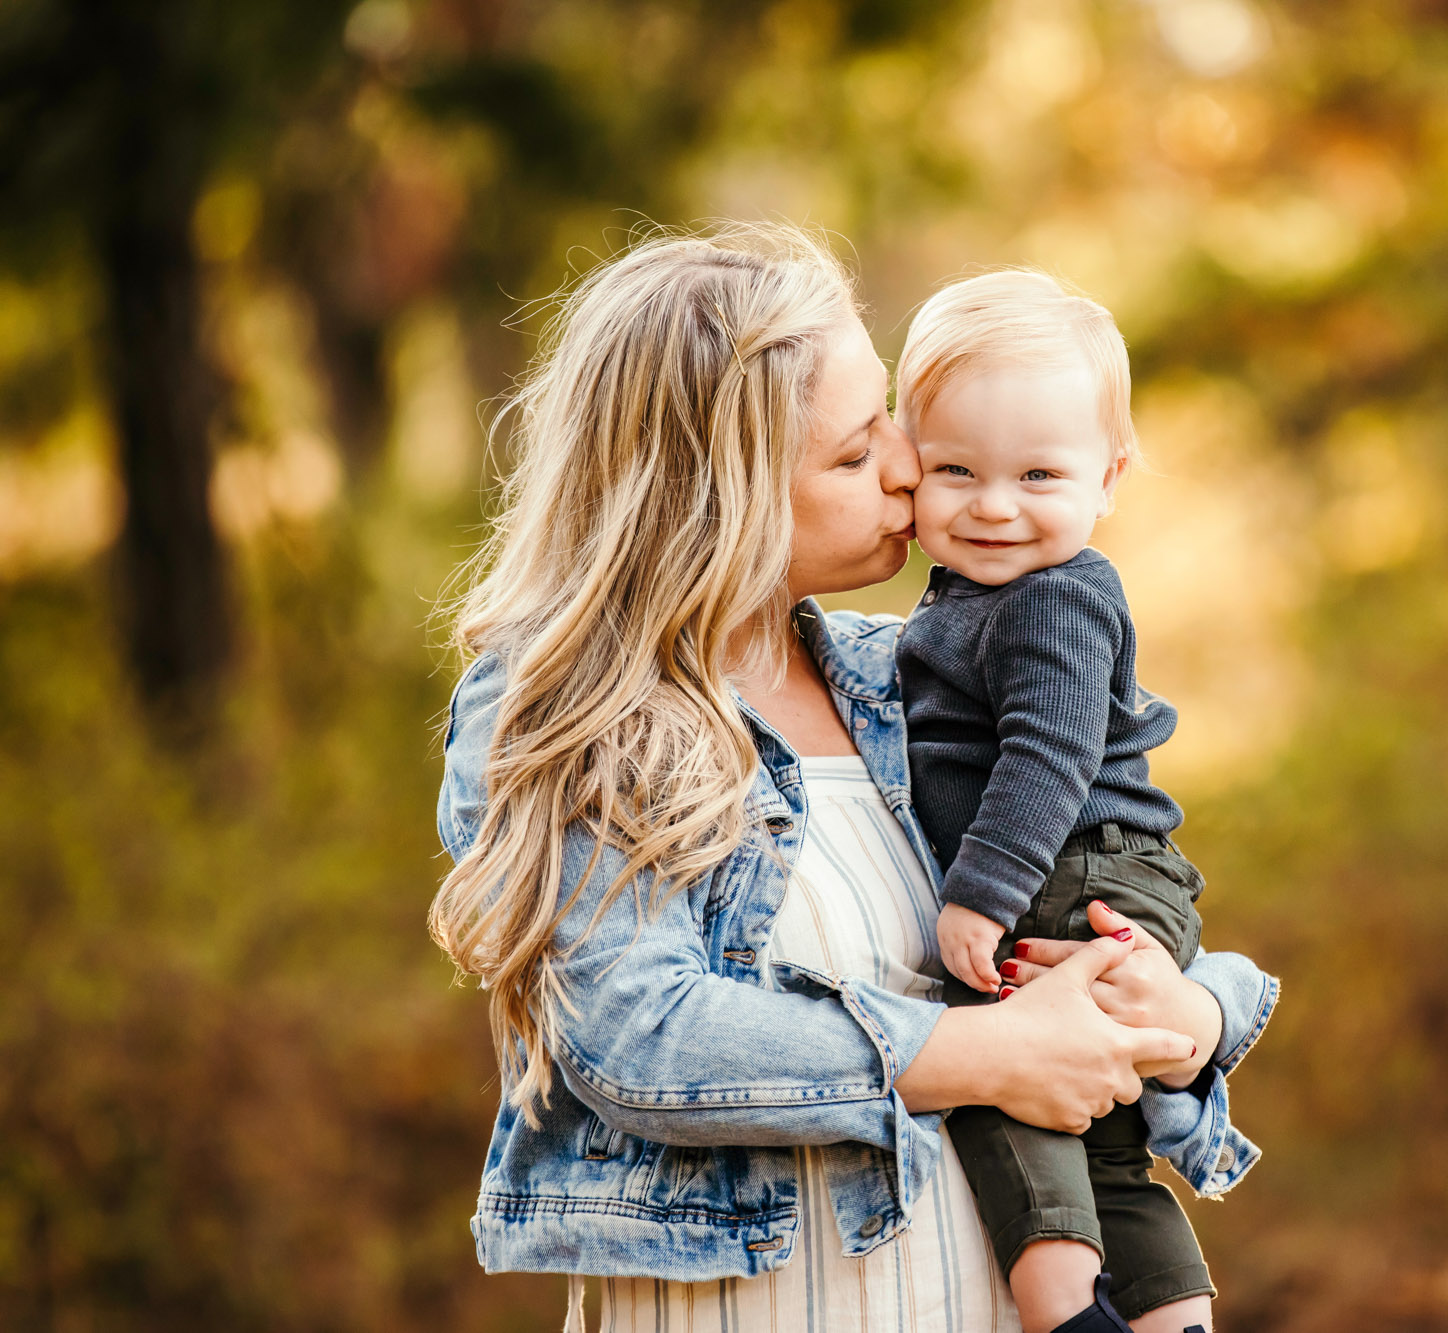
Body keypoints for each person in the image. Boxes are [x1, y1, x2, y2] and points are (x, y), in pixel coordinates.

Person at [428, 224, 1280, 1333]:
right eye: (847, 453)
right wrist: (987, 1052)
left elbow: (1113, 884)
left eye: (885, 414)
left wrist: (1198, 1009)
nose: (904, 463)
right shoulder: (571, 711)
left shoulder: (902, 672)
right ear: (716, 493)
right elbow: (639, 1036)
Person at [893, 270, 1225, 1333]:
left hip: (1067, 871)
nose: (993, 505)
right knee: (1109, 1146)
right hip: (1097, 871)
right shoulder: (972, 595)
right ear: (908, 463)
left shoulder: (1050, 597)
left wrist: (979, 896)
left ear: (1109, 475)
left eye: (1038, 473)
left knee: (994, 1074)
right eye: (955, 470)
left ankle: (1066, 1317)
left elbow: (1047, 753)